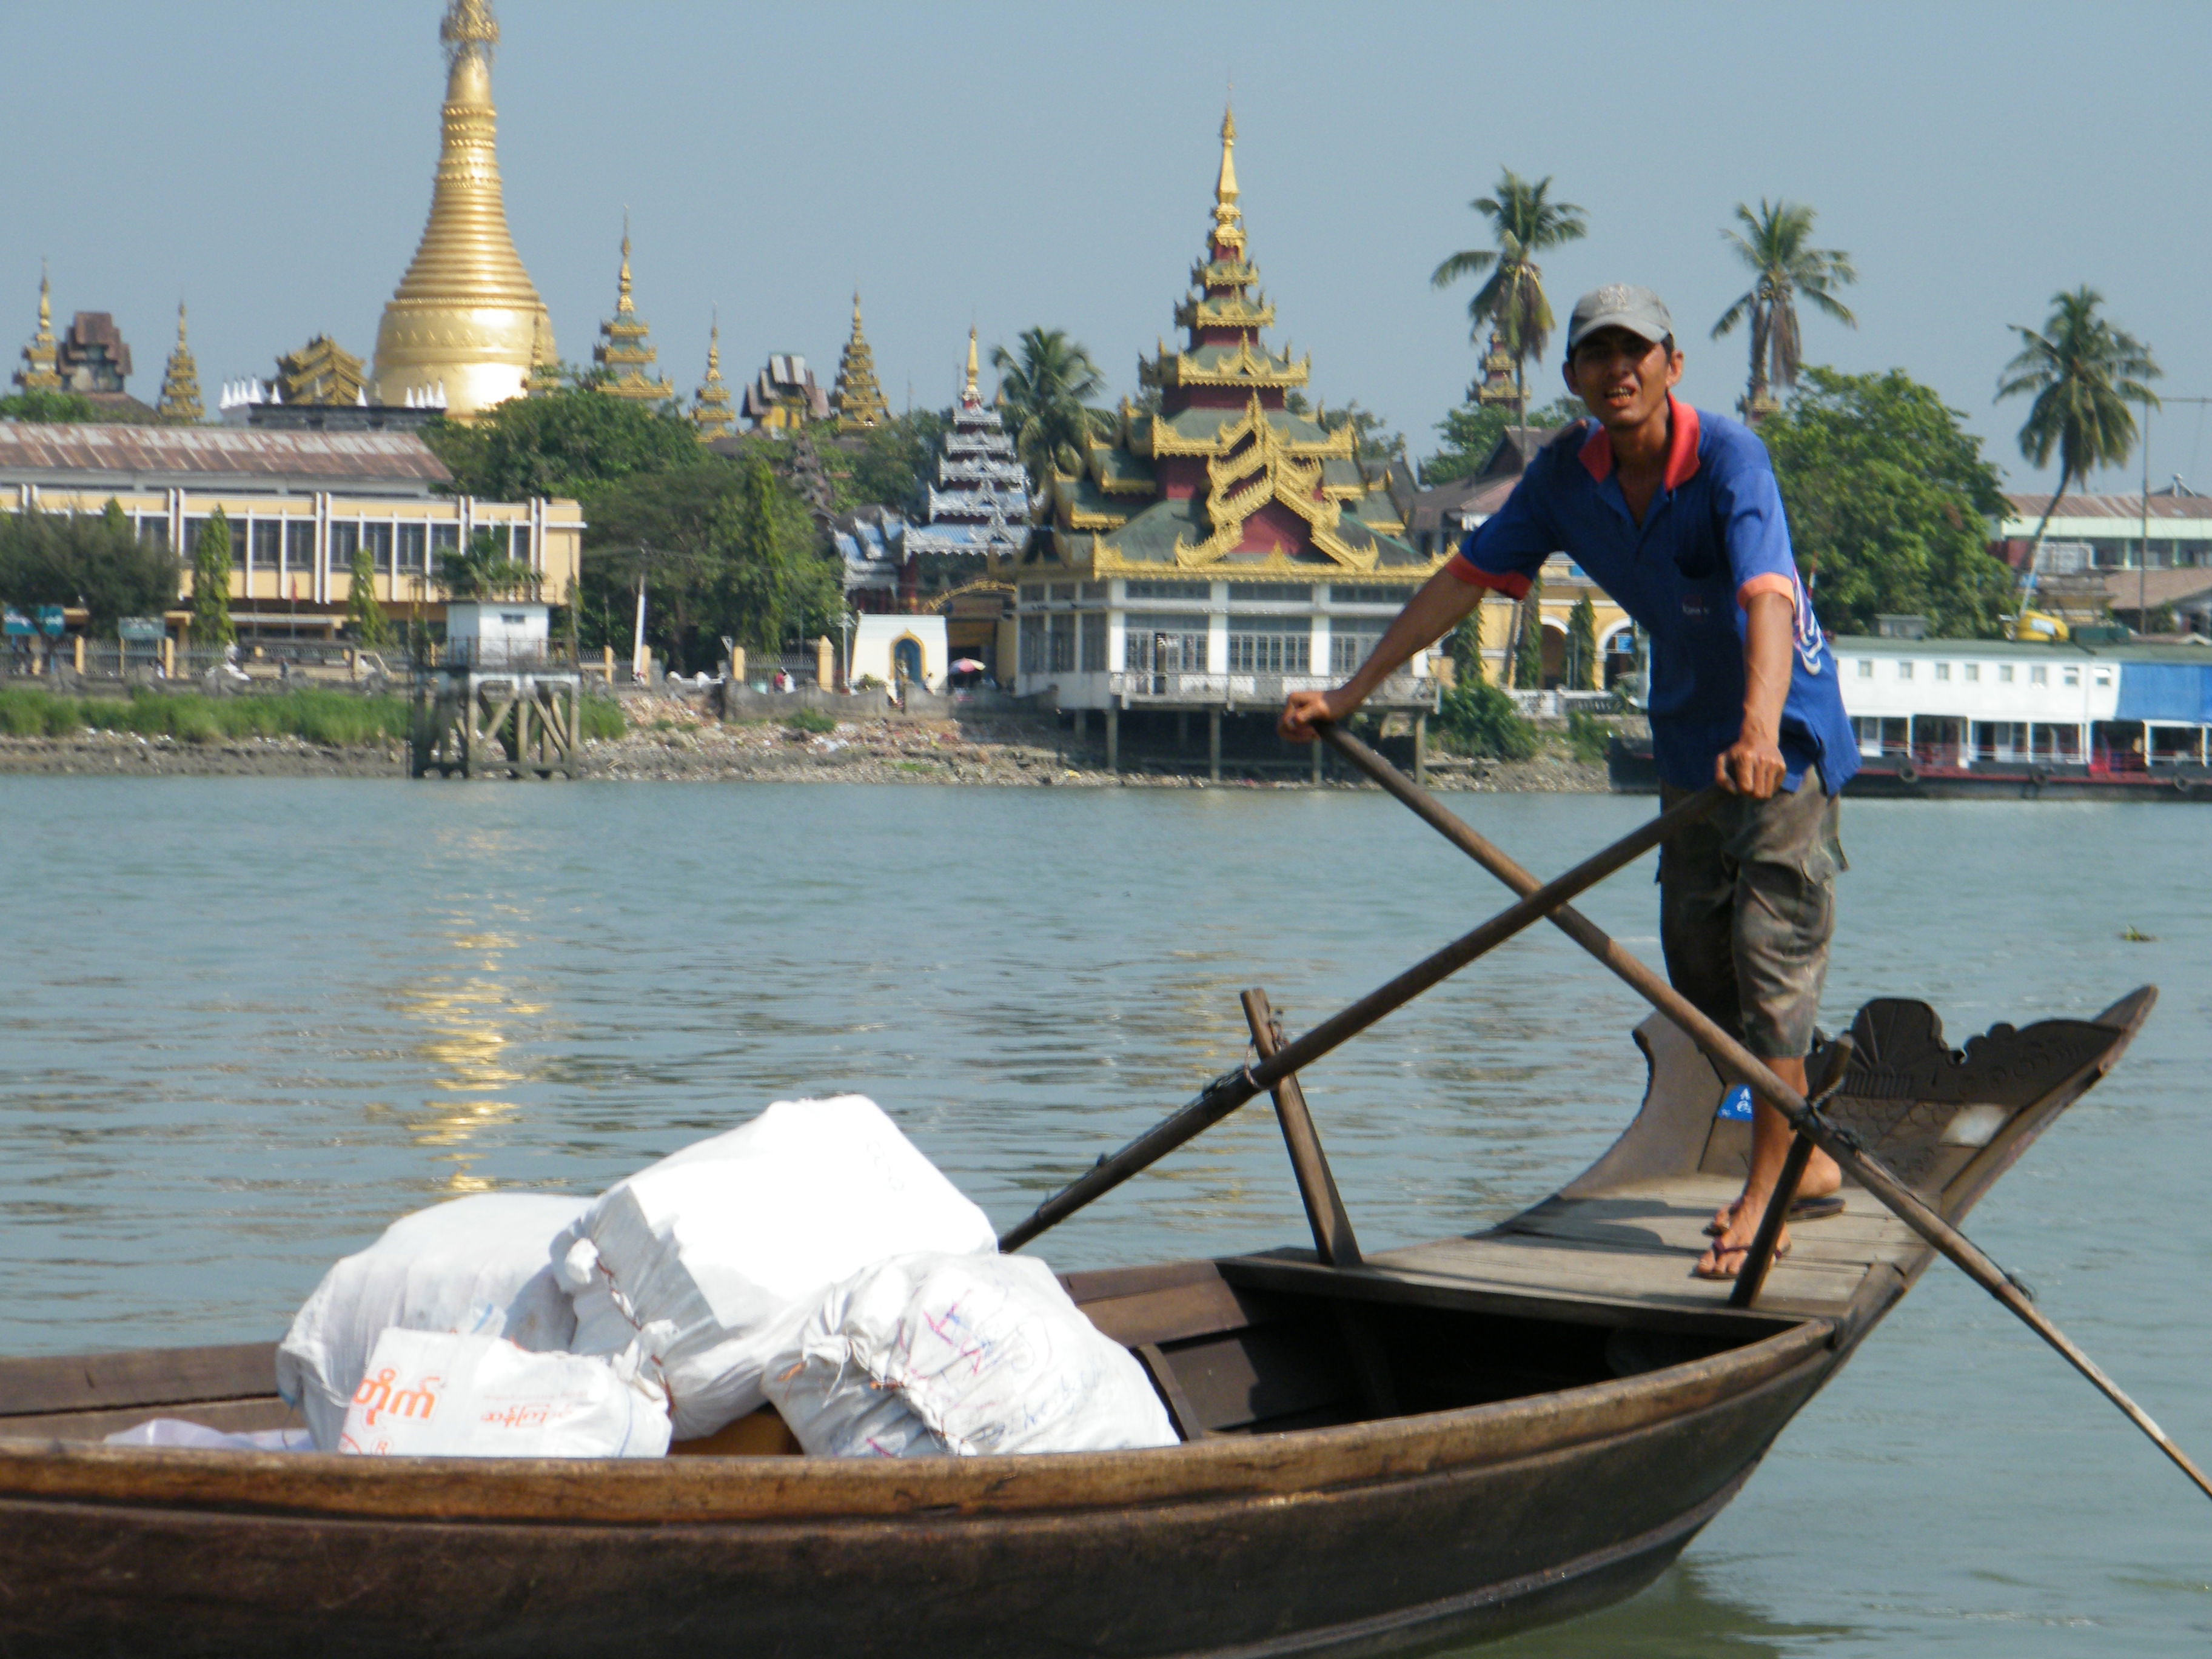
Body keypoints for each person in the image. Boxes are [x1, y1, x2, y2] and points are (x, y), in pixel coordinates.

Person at [1280, 284, 1858, 1279]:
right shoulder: (1564, 477)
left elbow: (1767, 593)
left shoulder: (1730, 460)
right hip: (1688, 740)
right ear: (1576, 379)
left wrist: (1762, 731)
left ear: (1674, 365)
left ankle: (1771, 1187)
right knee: (1697, 970)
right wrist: (1354, 692)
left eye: (1637, 352)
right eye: (1598, 356)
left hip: (1784, 740)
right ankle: (1795, 1144)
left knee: (1770, 962)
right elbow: (1463, 582)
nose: (1619, 371)